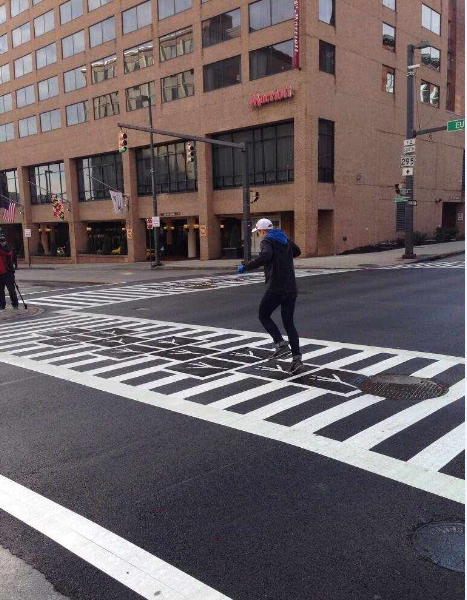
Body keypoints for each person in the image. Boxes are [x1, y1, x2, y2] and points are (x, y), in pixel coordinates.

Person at [237, 218, 302, 373]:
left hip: (276, 287)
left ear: (263, 231)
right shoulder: (284, 239)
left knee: (263, 315)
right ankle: (297, 357)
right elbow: (297, 251)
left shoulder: (267, 241)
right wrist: (283, 257)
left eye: (259, 232)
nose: (259, 234)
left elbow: (265, 256)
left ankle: (280, 343)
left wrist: (246, 267)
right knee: (289, 324)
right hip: (291, 287)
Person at [0, 234, 19, 310]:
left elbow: (14, 259)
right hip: (1, 273)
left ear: (5, 241)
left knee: (11, 290)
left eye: (3, 240)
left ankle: (15, 304)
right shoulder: (10, 249)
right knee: (1, 291)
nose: (2, 242)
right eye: (1, 241)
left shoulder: (10, 249)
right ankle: (2, 305)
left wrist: (15, 266)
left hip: (8, 272)